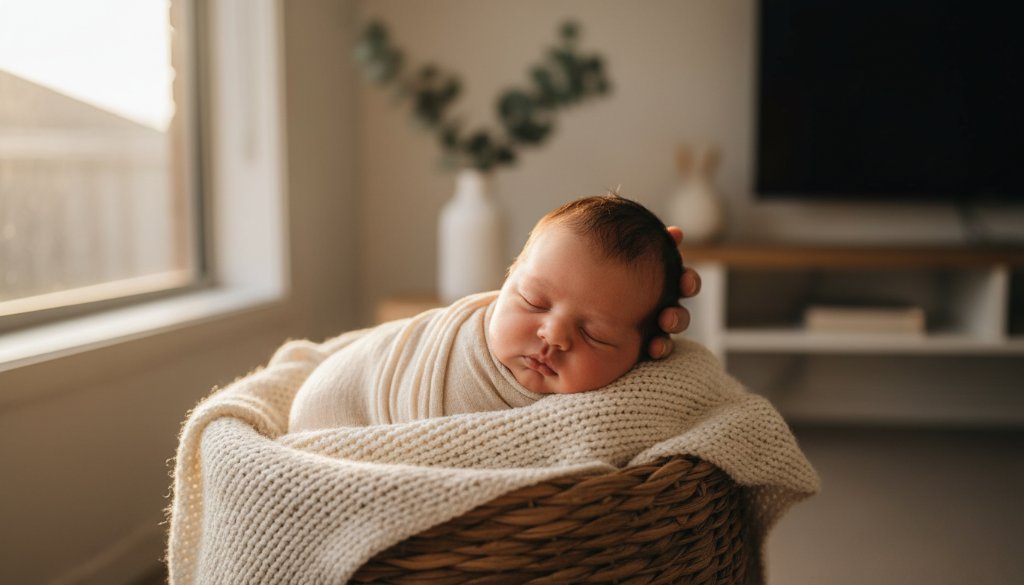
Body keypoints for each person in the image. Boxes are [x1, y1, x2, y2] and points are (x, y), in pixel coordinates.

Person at [288, 194, 699, 431]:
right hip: (333, 413)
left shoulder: (626, 400)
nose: (553, 336)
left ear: (643, 352)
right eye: (535, 302)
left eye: (595, 335)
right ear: (506, 279)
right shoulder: (460, 374)